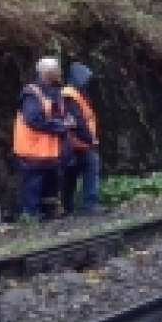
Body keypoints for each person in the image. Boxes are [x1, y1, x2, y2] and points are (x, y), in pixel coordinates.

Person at [12, 57, 74, 220]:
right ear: (49, 73)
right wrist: (61, 125)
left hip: (49, 152)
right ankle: (31, 217)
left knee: (50, 184)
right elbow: (33, 120)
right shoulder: (32, 93)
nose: (60, 72)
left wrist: (66, 121)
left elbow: (55, 114)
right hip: (32, 151)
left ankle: (49, 212)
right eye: (57, 70)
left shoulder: (53, 92)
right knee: (33, 185)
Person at [61, 62, 107, 216]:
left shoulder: (73, 94)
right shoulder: (72, 96)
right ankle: (89, 205)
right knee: (87, 171)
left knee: (70, 176)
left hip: (75, 143)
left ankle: (68, 207)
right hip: (79, 143)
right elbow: (78, 122)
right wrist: (90, 140)